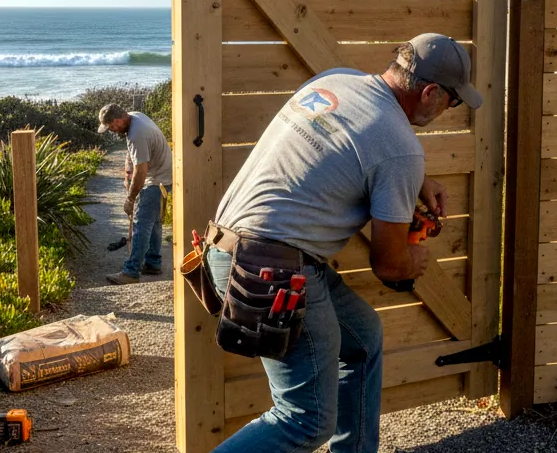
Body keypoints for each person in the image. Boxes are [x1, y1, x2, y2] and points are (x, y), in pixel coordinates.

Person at [204, 33, 483, 452]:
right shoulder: (400, 151)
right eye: (453, 101)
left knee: (363, 337)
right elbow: (389, 266)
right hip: (272, 270)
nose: (450, 110)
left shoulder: (337, 80)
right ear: (429, 93)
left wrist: (414, 182)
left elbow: (345, 145)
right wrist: (414, 260)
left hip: (224, 247)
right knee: (303, 421)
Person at [97, 103, 173, 285]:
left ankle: (131, 272)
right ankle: (153, 263)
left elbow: (141, 171)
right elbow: (133, 158)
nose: (112, 131)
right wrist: (127, 173)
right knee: (153, 221)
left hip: (157, 179)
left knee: (141, 223)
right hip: (164, 175)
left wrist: (131, 198)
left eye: (111, 127)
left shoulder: (137, 134)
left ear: (117, 120)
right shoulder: (134, 117)